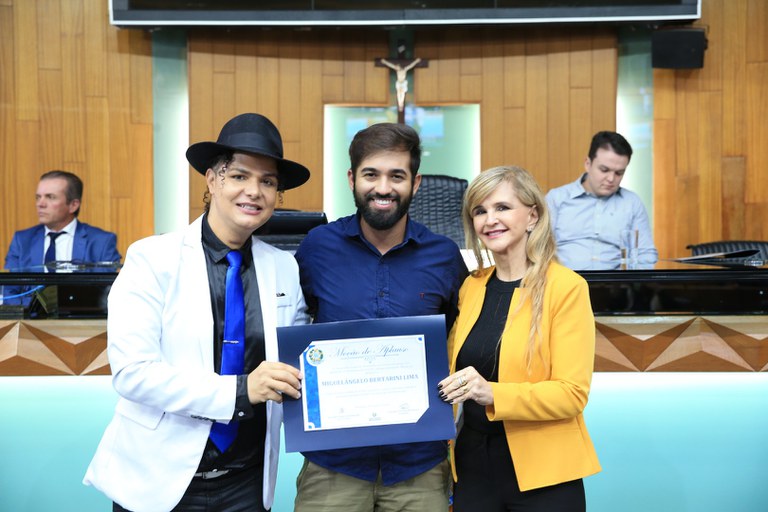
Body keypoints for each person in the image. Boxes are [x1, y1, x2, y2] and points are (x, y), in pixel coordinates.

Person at [83, 113, 311, 512]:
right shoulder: (151, 258)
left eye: (268, 182)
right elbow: (133, 372)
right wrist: (240, 392)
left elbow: (296, 360)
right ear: (211, 180)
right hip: (158, 480)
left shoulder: (284, 267)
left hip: (246, 483)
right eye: (239, 176)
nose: (254, 191)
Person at [293, 122, 468, 512]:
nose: (383, 188)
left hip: (419, 467)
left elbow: (458, 336)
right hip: (332, 466)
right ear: (352, 179)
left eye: (397, 176)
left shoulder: (443, 256)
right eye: (371, 174)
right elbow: (295, 323)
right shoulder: (318, 248)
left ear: (415, 183)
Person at [439, 166, 601, 512]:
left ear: (533, 215)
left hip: (545, 474)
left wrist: (492, 393)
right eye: (480, 211)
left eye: (502, 207)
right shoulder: (471, 286)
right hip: (472, 466)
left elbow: (571, 394)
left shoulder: (566, 288)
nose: (490, 220)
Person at [2, 170, 120, 305]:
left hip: (82, 316)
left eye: (50, 197)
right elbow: (9, 292)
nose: (40, 204)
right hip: (30, 316)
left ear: (73, 205)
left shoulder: (101, 241)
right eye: (38, 197)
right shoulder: (22, 241)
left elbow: (106, 294)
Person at [545, 131, 658, 270]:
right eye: (604, 170)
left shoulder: (632, 203)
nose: (611, 179)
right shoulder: (556, 199)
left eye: (619, 173)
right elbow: (538, 249)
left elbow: (646, 254)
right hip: (565, 281)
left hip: (617, 282)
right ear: (588, 164)